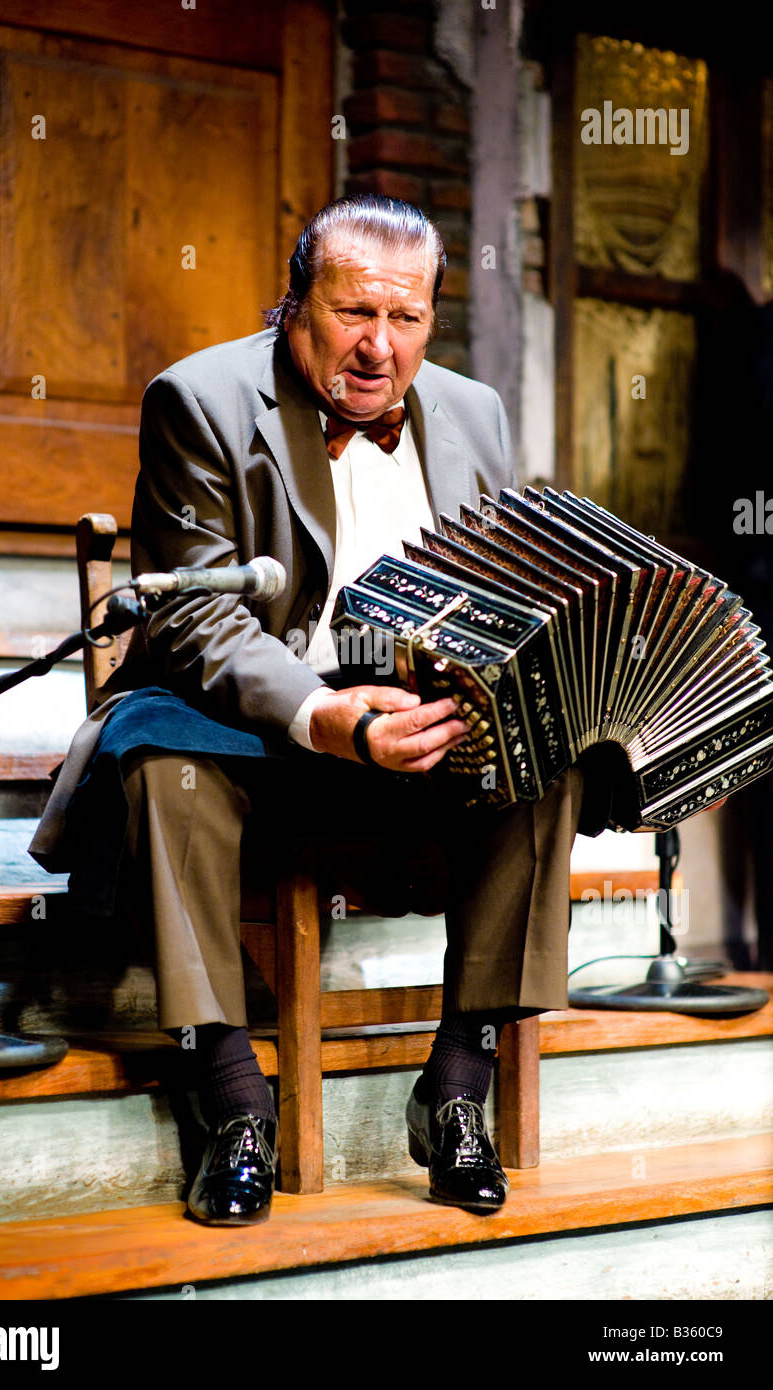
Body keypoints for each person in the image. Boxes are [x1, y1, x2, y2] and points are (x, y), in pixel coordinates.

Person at [30, 195, 590, 1226]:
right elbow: (199, 620)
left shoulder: (474, 413)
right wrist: (325, 717)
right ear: (295, 304)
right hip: (249, 707)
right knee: (162, 763)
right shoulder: (197, 399)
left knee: (546, 757)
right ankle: (234, 1101)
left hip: (410, 706)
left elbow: (502, 593)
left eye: (409, 319)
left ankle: (456, 1086)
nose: (381, 348)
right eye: (354, 314)